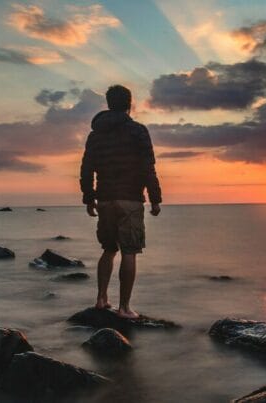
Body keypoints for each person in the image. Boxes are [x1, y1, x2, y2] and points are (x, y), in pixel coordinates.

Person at [80, 84, 162, 319]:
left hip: (105, 199)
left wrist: (89, 197)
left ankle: (101, 299)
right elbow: (148, 167)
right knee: (129, 251)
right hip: (130, 199)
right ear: (129, 104)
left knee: (108, 249)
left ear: (108, 103)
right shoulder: (138, 131)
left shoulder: (96, 135)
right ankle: (124, 308)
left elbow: (87, 168)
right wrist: (155, 199)